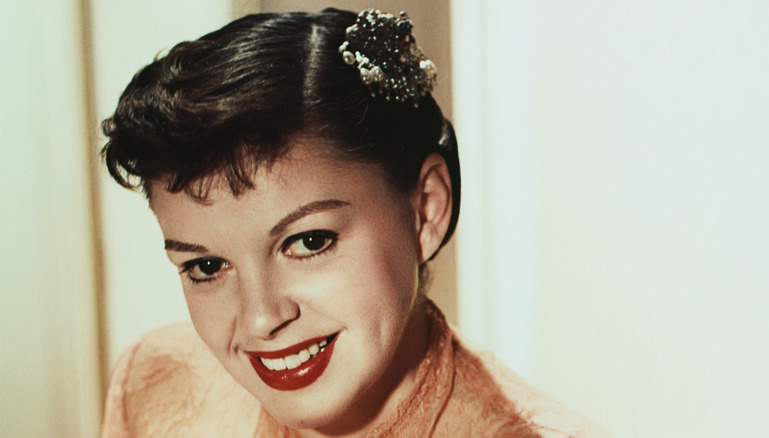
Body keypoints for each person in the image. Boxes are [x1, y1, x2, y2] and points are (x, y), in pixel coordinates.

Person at [100, 8, 608, 437]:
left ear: (425, 210)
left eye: (309, 241)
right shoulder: (155, 384)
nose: (260, 319)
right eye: (207, 266)